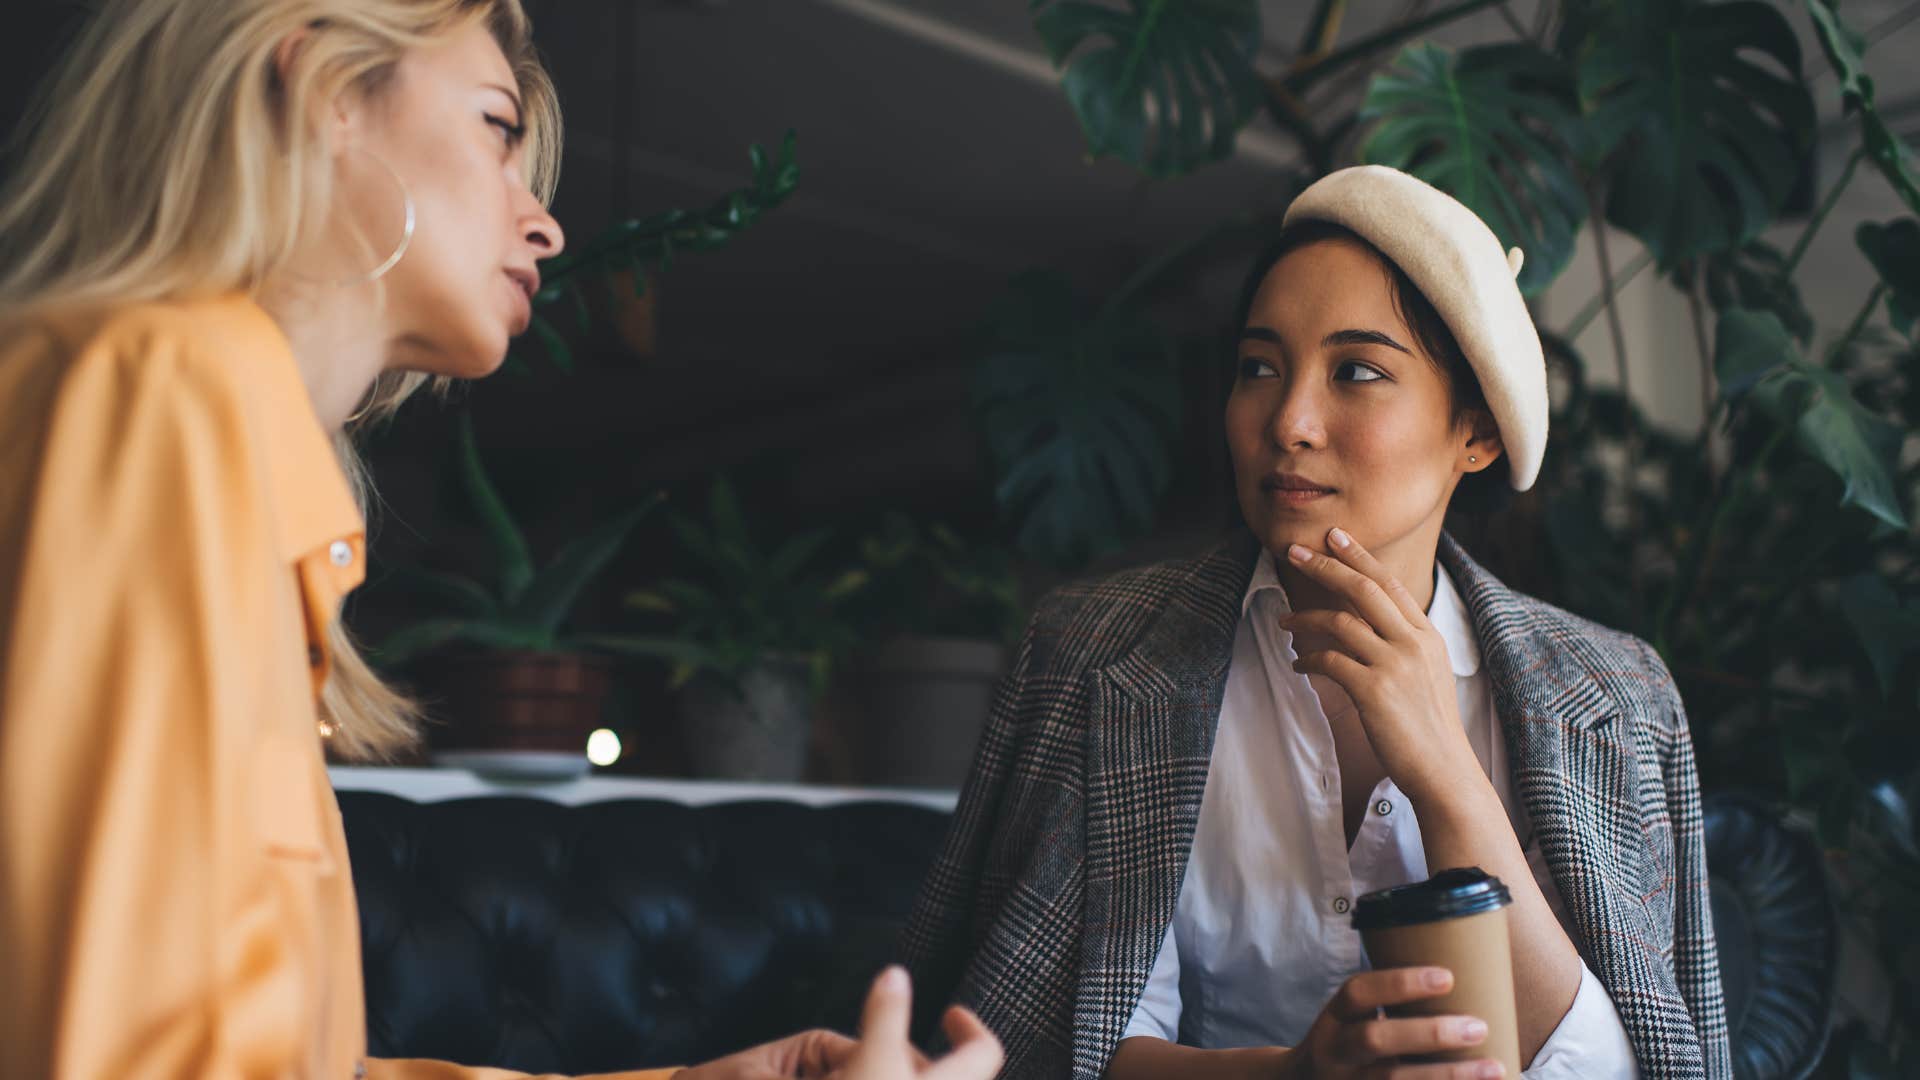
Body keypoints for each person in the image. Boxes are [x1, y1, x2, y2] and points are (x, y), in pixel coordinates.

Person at [0, 3, 1003, 1079]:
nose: (547, 225)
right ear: (327, 95)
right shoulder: (159, 392)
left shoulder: (199, 426)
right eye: (495, 128)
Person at [899, 166, 1729, 1080]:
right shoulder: (1093, 653)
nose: (1288, 420)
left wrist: (1448, 778)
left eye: (1358, 372)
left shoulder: (1617, 694)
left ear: (1477, 433)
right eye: (1260, 367)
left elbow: (1624, 1063)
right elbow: (1053, 1040)